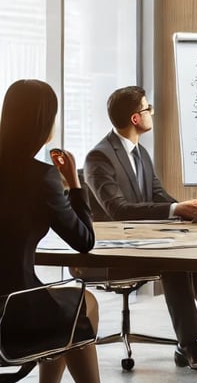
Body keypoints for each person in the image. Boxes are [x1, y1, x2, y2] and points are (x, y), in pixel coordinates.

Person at [83, 86, 197, 371]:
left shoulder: (140, 153)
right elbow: (118, 210)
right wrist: (174, 210)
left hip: (144, 242)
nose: (152, 113)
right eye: (149, 108)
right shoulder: (99, 158)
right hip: (111, 250)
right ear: (136, 118)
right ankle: (189, 344)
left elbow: (158, 195)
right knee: (174, 260)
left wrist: (188, 209)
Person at [0, 79, 101, 383]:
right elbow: (84, 240)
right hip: (12, 310)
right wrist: (73, 184)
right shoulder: (41, 178)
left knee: (60, 310)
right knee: (84, 306)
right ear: (44, 122)